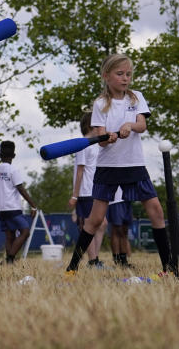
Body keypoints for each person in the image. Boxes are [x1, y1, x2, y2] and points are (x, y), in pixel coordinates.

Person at [66, 54, 174, 275]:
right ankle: (72, 269)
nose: (125, 79)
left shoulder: (136, 98)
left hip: (134, 164)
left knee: (156, 212)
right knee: (95, 220)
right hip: (109, 167)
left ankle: (169, 268)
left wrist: (129, 125)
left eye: (128, 74)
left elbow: (142, 125)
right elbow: (100, 138)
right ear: (106, 76)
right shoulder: (100, 104)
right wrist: (107, 138)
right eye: (120, 74)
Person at [68, 111, 107, 268]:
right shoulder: (83, 144)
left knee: (102, 224)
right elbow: (80, 171)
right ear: (91, 124)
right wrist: (75, 196)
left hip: (96, 190)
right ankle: (93, 260)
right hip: (85, 192)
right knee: (89, 225)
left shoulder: (97, 145)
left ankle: (94, 259)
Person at [0, 141, 37, 264]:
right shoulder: (13, 170)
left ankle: (9, 262)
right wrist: (33, 205)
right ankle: (10, 259)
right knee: (25, 232)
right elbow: (20, 188)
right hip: (12, 207)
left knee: (9, 235)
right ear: (14, 155)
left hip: (1, 208)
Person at [107, 188, 133, 267]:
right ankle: (117, 260)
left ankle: (124, 260)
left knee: (125, 231)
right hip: (116, 199)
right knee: (117, 229)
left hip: (128, 197)